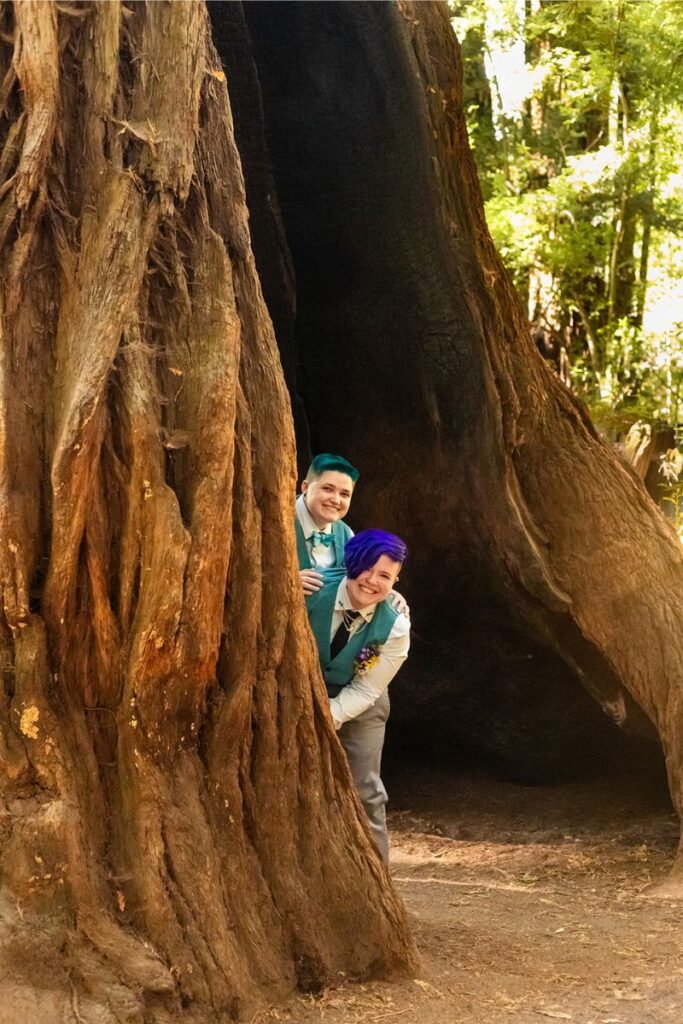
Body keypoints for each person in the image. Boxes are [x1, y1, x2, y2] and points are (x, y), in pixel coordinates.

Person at [305, 529, 409, 863]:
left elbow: (367, 688)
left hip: (361, 701)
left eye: (385, 576)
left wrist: (326, 716)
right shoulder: (313, 589)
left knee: (367, 790)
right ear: (352, 562)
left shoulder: (395, 627)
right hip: (301, 691)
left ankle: (378, 876)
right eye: (367, 568)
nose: (372, 581)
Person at [295, 453, 359, 595]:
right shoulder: (276, 520)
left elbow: (361, 581)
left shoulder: (347, 534)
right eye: (328, 489)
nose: (336, 500)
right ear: (305, 487)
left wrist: (389, 595)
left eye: (344, 494)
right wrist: (286, 581)